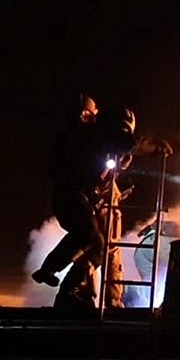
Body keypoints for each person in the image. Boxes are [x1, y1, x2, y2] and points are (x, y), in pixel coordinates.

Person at [50, 106, 139, 313]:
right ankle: (84, 297)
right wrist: (147, 145)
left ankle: (82, 297)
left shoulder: (91, 142)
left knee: (101, 246)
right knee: (100, 245)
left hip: (97, 194)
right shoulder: (97, 140)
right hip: (93, 196)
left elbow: (118, 162)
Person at [31, 95, 102, 289]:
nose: (86, 120)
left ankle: (68, 285)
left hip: (71, 195)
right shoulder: (78, 139)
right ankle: (53, 274)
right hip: (71, 194)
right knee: (87, 232)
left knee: (97, 244)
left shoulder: (74, 139)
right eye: (86, 116)